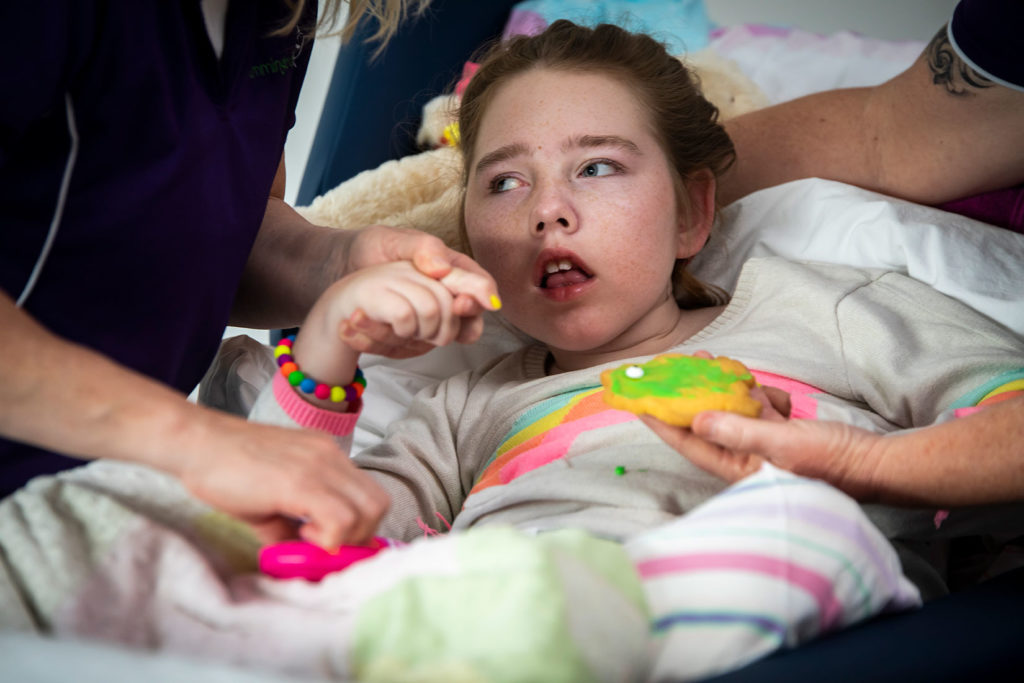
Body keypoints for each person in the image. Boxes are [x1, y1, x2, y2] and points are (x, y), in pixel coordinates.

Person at [0, 0, 499, 549]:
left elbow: (216, 229)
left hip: (102, 503)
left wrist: (340, 265)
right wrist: (194, 441)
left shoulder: (278, 15)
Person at [653, 0, 1024, 507]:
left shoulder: (827, 309)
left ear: (691, 216)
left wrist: (866, 463)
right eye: (511, 183)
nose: (552, 212)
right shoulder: (524, 375)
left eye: (596, 170)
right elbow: (888, 134)